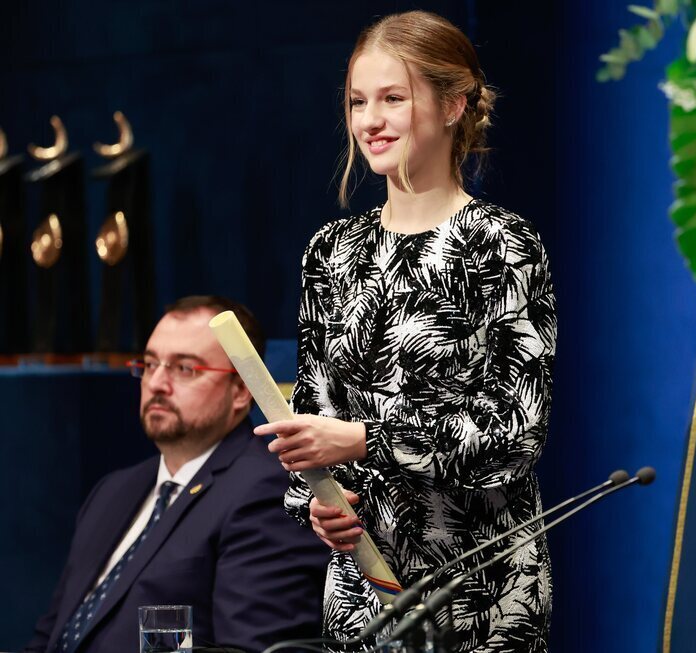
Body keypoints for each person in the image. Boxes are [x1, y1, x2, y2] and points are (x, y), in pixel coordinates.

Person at [252, 10, 556, 651]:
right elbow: (314, 416)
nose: (370, 120)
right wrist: (319, 504)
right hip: (364, 595)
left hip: (483, 593)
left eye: (393, 98)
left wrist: (362, 440)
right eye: (358, 101)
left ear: (454, 105)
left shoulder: (502, 245)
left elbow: (515, 435)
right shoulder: (331, 250)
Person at [26, 296, 326, 653]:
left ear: (242, 390)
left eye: (185, 369)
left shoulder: (266, 490)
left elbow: (252, 648)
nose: (157, 384)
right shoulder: (114, 489)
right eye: (150, 364)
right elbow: (50, 637)